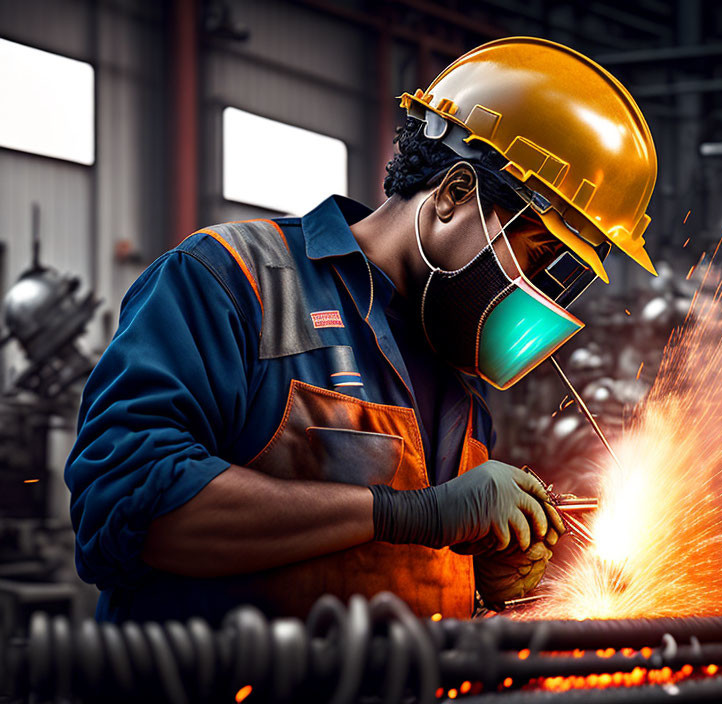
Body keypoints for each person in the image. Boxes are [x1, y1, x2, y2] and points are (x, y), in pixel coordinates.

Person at [65, 37, 657, 623]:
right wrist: (409, 514)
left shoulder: (459, 380)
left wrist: (486, 574)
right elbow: (127, 507)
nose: (534, 287)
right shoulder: (232, 281)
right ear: (453, 195)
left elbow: (393, 574)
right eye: (535, 253)